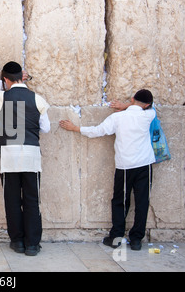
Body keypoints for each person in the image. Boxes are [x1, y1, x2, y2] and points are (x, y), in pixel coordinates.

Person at [59, 89, 155, 251]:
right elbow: (146, 108)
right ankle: (136, 240)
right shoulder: (148, 115)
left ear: (132, 99)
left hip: (125, 166)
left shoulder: (117, 117)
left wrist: (75, 128)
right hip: (145, 164)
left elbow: (98, 131)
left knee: (120, 202)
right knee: (142, 201)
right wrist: (127, 105)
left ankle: (116, 237)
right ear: (147, 105)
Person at [0, 61, 50, 256]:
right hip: (31, 154)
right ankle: (32, 244)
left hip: (8, 155)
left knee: (12, 199)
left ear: (5, 79)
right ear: (23, 77)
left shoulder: (0, 96)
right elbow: (45, 128)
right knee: (32, 198)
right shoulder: (37, 99)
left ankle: (18, 241)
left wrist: (4, 80)